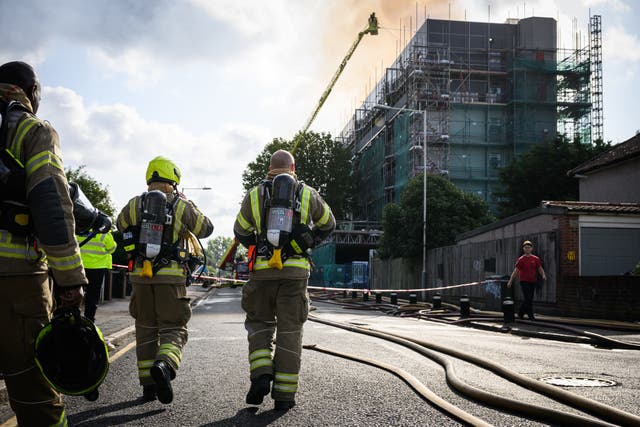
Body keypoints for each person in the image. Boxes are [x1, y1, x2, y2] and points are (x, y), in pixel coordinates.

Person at [0, 61, 87, 426]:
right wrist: (69, 280)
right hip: (15, 280)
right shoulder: (33, 130)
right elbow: (51, 205)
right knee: (35, 393)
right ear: (30, 92)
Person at [234, 149, 336, 411]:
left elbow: (240, 230)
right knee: (290, 330)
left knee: (258, 323)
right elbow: (328, 223)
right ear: (293, 168)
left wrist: (258, 245)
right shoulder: (306, 192)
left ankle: (261, 374)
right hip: (295, 274)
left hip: (262, 272)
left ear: (269, 169)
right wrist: (308, 240)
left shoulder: (255, 195)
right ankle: (284, 396)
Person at [116, 156, 213, 404]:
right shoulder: (181, 205)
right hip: (170, 277)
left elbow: (120, 225)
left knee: (145, 330)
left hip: (140, 276)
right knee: (173, 327)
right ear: (174, 180)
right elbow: (205, 229)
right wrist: (189, 205)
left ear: (150, 178)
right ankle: (165, 363)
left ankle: (148, 387)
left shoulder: (134, 204)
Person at [76, 230, 117, 323]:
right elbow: (111, 249)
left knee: (76, 293)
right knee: (93, 296)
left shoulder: (78, 230)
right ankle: (89, 320)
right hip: (97, 268)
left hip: (79, 266)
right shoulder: (104, 233)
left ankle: (75, 317)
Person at [507, 240, 547, 320]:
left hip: (532, 281)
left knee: (529, 299)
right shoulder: (521, 259)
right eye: (526, 248)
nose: (527, 249)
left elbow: (540, 268)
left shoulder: (535, 259)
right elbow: (516, 271)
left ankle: (521, 313)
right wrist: (510, 280)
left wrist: (543, 275)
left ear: (531, 249)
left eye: (529, 247)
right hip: (524, 281)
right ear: (523, 249)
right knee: (528, 298)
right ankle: (530, 316)